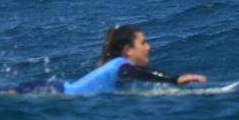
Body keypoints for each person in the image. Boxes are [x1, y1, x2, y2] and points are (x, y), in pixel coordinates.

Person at [13, 25, 206, 95]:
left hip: (51, 89)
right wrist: (174, 80)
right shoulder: (122, 66)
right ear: (128, 50)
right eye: (144, 43)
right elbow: (136, 73)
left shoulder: (115, 66)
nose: (149, 47)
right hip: (50, 91)